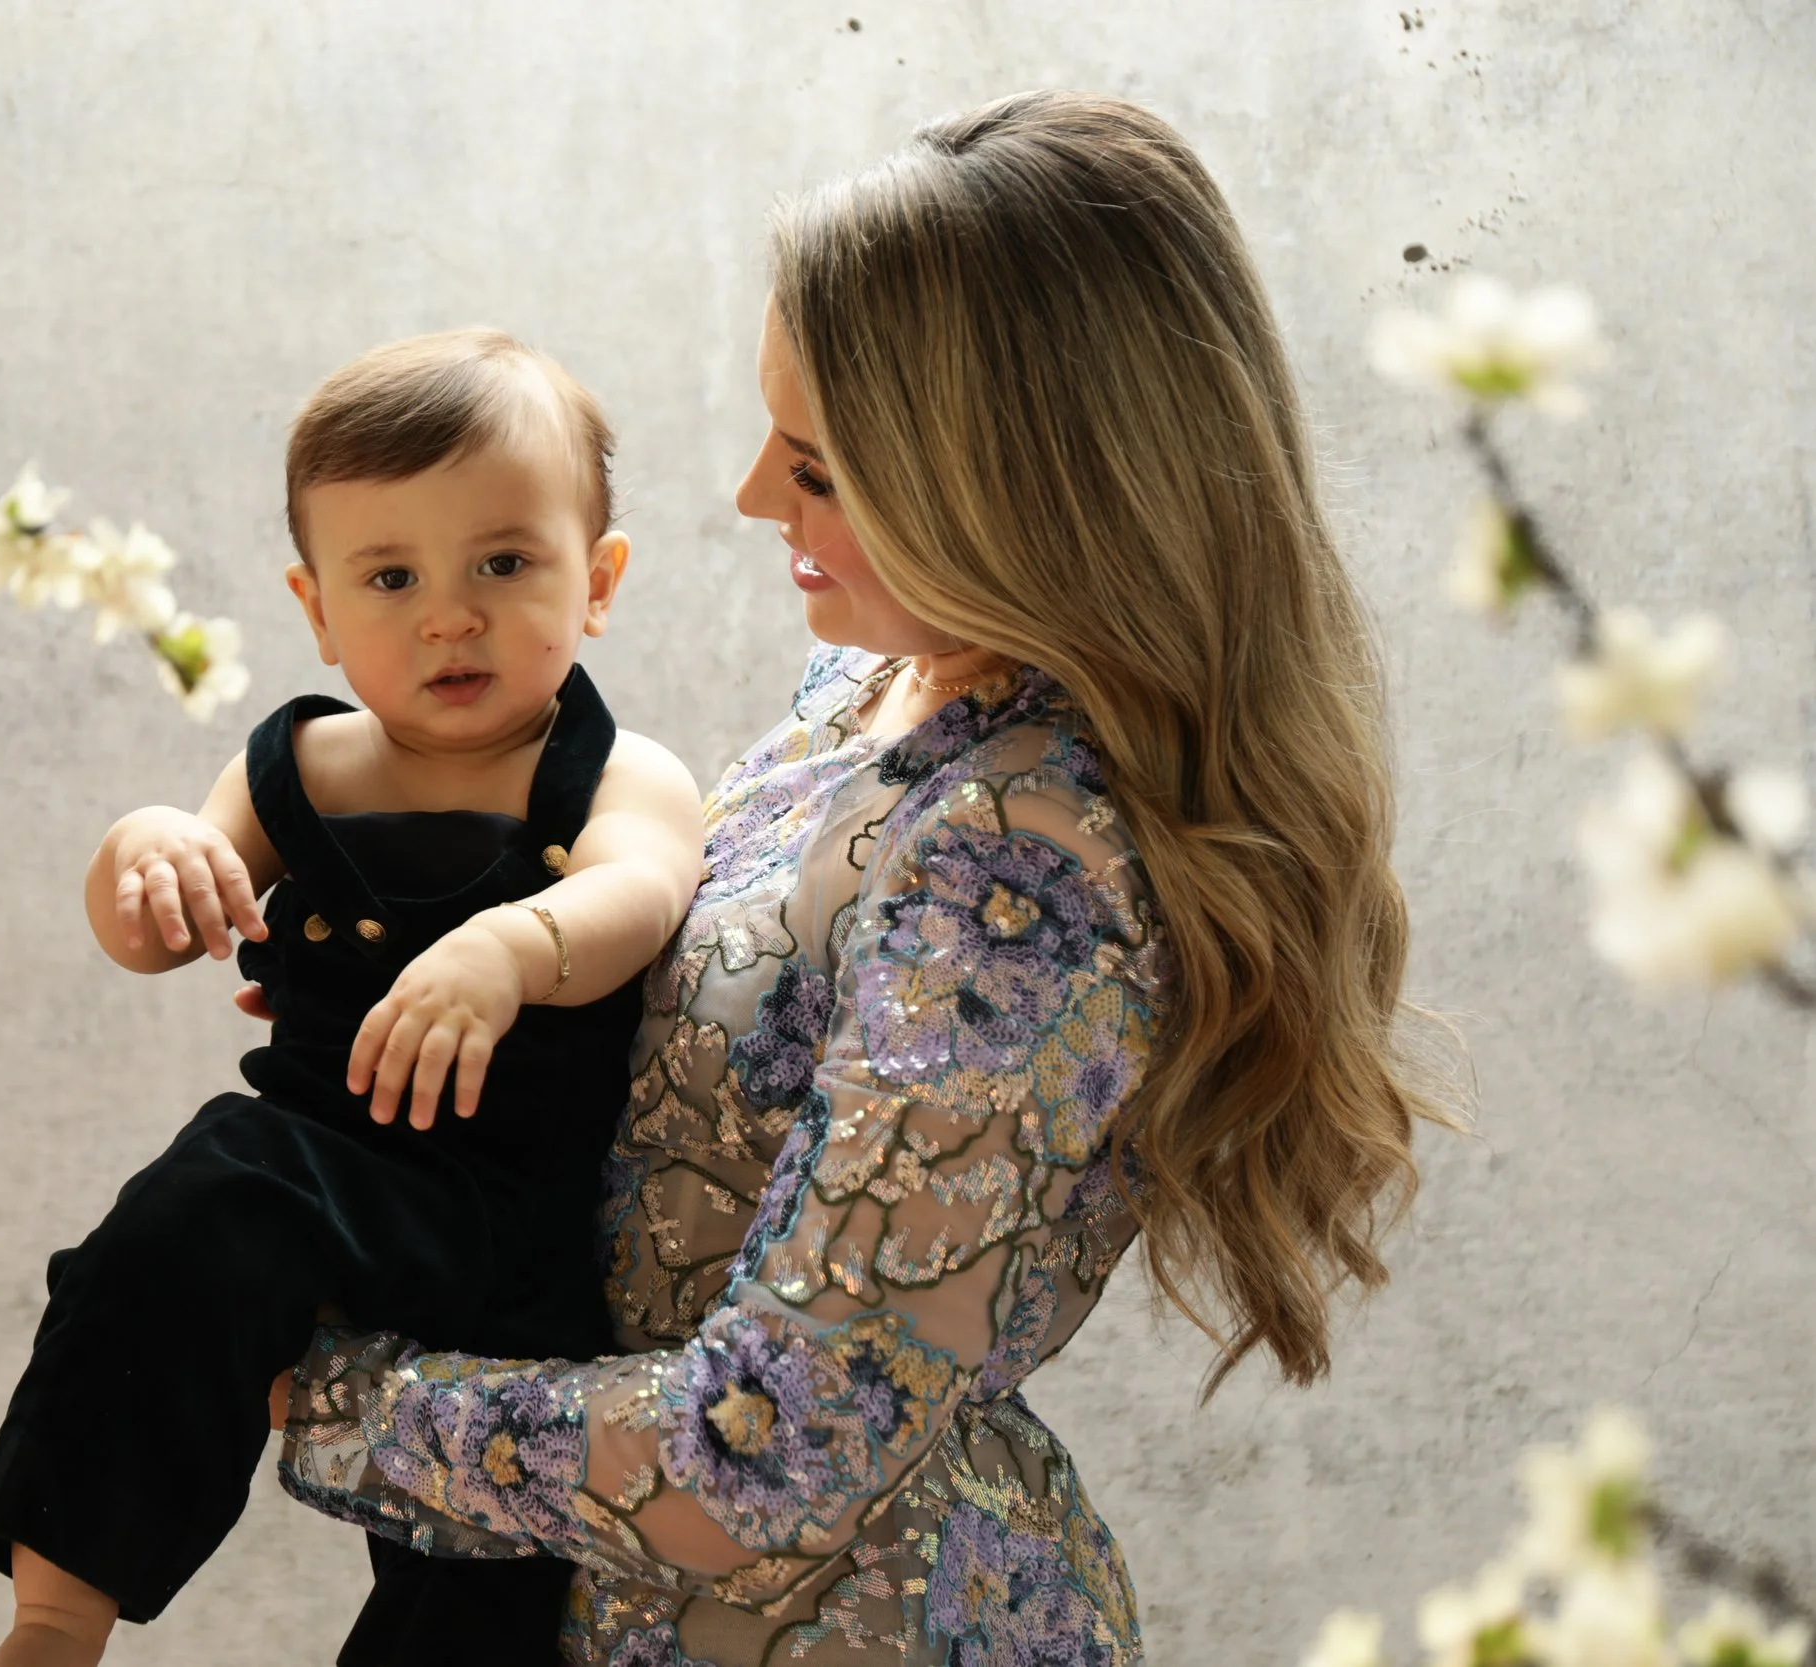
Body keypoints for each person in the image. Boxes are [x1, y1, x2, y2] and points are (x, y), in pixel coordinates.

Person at [267, 92, 1447, 1664]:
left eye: (817, 466)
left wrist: (325, 1394)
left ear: (1007, 486)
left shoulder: (1025, 865)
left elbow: (773, 1454)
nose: (758, 497)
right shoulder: (880, 697)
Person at [0, 330, 706, 1667]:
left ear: (597, 582)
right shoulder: (296, 768)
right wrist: (147, 848)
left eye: (503, 562)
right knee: (169, 1234)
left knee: (495, 1563)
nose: (448, 613)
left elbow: (642, 892)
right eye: (391, 575)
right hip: (313, 1167)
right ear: (317, 610)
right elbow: (145, 940)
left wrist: (514, 947)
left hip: (514, 1213)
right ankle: (56, 1611)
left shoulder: (614, 774)